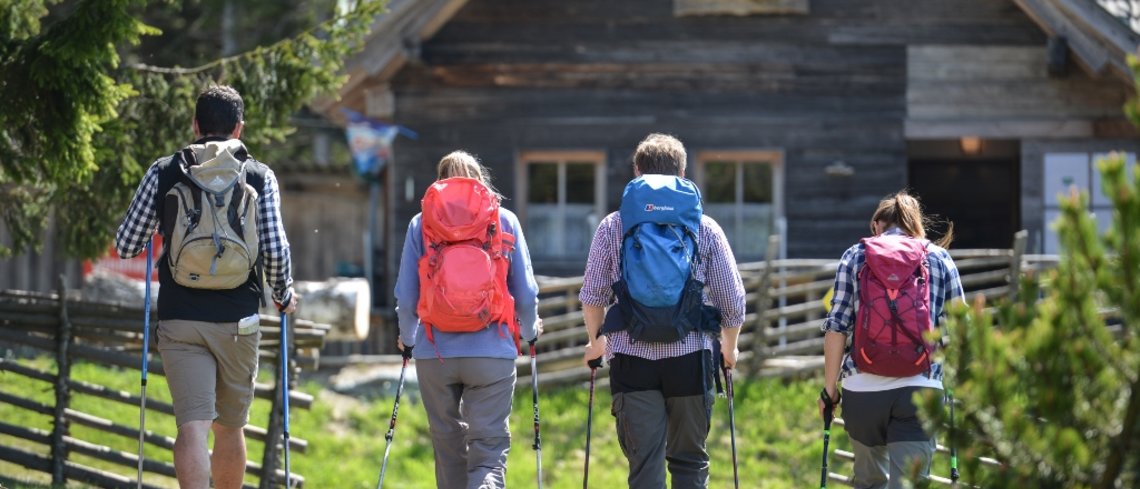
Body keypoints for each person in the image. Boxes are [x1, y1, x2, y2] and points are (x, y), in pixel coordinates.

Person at [115, 85, 296, 489]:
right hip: (239, 321)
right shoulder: (258, 175)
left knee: (192, 428)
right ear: (239, 128)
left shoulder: (164, 171)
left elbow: (127, 244)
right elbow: (276, 249)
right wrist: (284, 294)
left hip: (181, 320)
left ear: (195, 125)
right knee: (230, 429)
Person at [580, 133, 746, 489]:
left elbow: (593, 294)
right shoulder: (705, 227)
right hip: (691, 359)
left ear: (637, 172)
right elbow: (732, 300)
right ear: (683, 174)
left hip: (631, 360)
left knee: (645, 468)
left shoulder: (613, 226)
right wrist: (730, 348)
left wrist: (596, 342)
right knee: (689, 464)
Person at [393, 150, 541, 489]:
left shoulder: (421, 223)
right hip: (492, 352)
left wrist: (409, 340)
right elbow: (527, 293)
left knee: (448, 451)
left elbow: (406, 295)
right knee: (488, 452)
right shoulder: (504, 220)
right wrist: (531, 332)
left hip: (435, 355)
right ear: (480, 181)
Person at [819, 191, 965, 489]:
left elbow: (837, 328)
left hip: (862, 391)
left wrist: (829, 392)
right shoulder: (938, 258)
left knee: (869, 482)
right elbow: (961, 331)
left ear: (876, 226)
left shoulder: (855, 256)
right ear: (916, 225)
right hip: (920, 390)